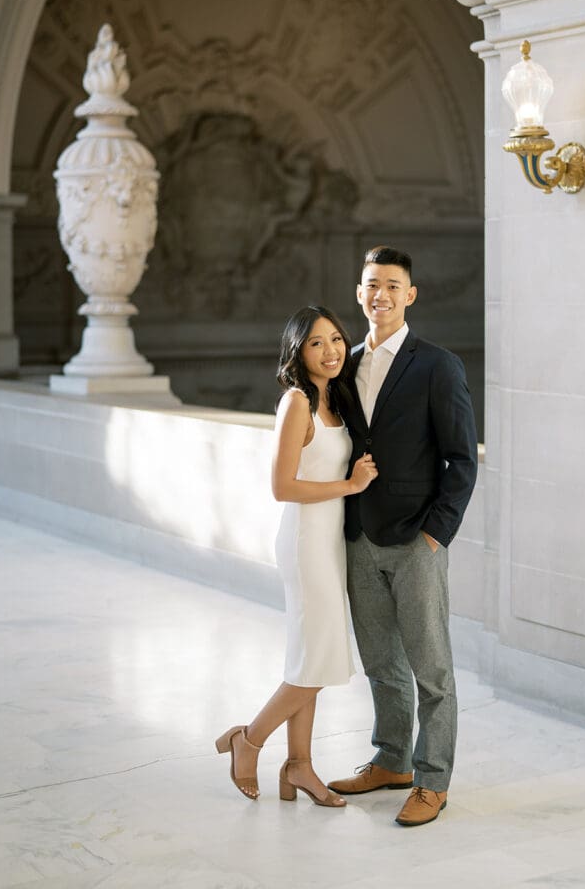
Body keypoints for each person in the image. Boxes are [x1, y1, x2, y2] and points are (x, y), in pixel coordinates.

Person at [327, 245, 478, 827]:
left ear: (409, 295)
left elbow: (462, 461)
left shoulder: (437, 365)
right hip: (359, 537)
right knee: (381, 664)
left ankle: (432, 780)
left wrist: (435, 537)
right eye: (371, 284)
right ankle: (392, 761)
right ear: (359, 293)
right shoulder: (345, 363)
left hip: (417, 541)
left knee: (431, 669)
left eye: (392, 285)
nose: (380, 295)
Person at [215, 305, 378, 808]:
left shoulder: (333, 400)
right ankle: (250, 740)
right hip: (307, 541)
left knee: (312, 658)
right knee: (315, 662)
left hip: (329, 541)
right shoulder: (298, 403)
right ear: (298, 352)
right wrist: (350, 484)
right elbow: (281, 486)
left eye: (335, 339)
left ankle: (299, 766)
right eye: (315, 343)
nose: (330, 351)